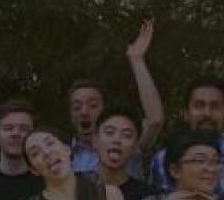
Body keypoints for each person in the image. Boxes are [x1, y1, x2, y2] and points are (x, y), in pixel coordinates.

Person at [66, 20, 164, 174]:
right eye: (77, 107)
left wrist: (136, 60)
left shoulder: (125, 142)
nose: (84, 112)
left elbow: (154, 121)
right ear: (70, 115)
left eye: (93, 105)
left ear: (105, 110)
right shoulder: (63, 154)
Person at [92, 108, 156, 200]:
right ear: (95, 141)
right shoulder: (76, 185)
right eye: (109, 132)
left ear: (136, 147)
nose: (117, 140)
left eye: (127, 135)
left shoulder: (146, 196)